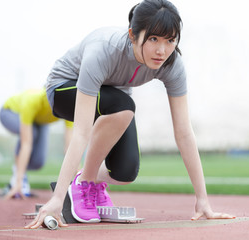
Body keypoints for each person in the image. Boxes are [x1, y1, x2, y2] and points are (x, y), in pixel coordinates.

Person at [26, 0, 235, 228]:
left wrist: (203, 200)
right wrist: (57, 198)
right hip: (64, 90)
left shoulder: (172, 65)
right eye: (153, 39)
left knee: (124, 172)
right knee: (124, 104)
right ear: (133, 35)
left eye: (170, 40)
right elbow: (81, 132)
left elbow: (184, 132)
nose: (161, 50)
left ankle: (84, 179)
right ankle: (84, 183)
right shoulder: (103, 51)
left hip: (113, 102)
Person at [0, 88, 73, 199]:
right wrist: (18, 182)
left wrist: (79, 177)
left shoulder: (68, 108)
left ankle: (18, 172)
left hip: (39, 121)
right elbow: (26, 143)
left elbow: (70, 148)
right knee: (31, 133)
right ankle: (16, 180)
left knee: (38, 162)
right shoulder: (32, 100)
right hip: (9, 112)